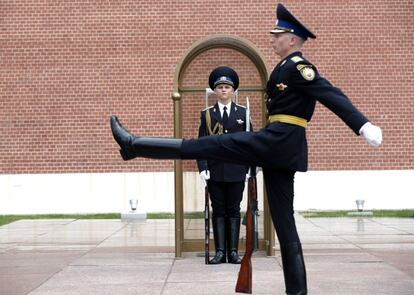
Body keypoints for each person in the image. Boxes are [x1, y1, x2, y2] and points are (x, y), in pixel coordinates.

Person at [110, 4, 382, 294]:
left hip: (277, 140)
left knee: (209, 144)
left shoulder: (298, 67)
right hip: (280, 146)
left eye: (277, 34)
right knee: (284, 222)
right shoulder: (283, 67)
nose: (272, 38)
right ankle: (297, 291)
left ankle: (134, 144)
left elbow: (331, 95)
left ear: (291, 39)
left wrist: (363, 126)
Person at [198, 66, 250, 264]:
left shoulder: (243, 113)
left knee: (234, 209)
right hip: (215, 170)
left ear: (233, 90)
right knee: (218, 209)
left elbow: (250, 144)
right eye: (219, 87)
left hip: (237, 170)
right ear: (214, 90)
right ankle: (220, 251)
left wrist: (249, 169)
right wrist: (203, 168)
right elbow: (201, 144)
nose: (223, 90)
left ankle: (234, 252)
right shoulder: (207, 115)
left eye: (227, 87)